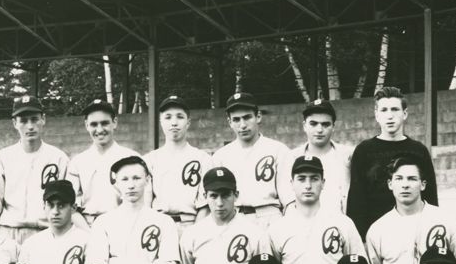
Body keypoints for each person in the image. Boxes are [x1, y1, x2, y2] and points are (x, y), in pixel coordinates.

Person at [86, 155, 179, 264]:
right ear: (116, 184)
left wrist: (120, 263)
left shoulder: (164, 221)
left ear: (148, 180)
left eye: (137, 178)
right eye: (125, 179)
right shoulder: (103, 222)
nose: (131, 185)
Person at [268, 155, 364, 264]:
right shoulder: (278, 228)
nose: (308, 185)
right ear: (291, 183)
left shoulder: (342, 223)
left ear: (323, 183)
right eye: (301, 179)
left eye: (314, 179)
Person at [347, 87, 438, 239]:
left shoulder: (418, 150)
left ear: (405, 114)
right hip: (375, 236)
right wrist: (360, 240)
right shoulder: (364, 151)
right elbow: (357, 201)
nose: (389, 116)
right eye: (384, 110)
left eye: (395, 109)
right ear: (376, 115)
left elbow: (430, 196)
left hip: (414, 232)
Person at [180, 167, 271, 264]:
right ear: (205, 196)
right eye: (213, 196)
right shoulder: (192, 234)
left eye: (225, 195)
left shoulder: (255, 233)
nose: (219, 203)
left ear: (236, 195)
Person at [0, 95, 71, 245]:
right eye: (23, 121)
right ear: (15, 123)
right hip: (9, 231)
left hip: (45, 231)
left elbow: (68, 204)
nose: (30, 126)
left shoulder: (58, 158)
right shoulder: (3, 158)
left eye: (34, 119)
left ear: (43, 119)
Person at [209, 92, 290, 226]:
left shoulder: (278, 150)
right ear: (229, 122)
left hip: (269, 216)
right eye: (236, 119)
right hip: (234, 218)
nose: (242, 125)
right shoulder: (220, 156)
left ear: (258, 117)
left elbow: (289, 198)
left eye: (247, 117)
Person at [67, 98, 137, 225]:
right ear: (86, 125)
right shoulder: (78, 162)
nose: (99, 130)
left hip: (122, 223)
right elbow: (70, 206)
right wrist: (86, 232)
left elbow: (139, 202)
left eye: (104, 123)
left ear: (114, 123)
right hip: (87, 225)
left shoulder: (131, 158)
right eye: (94, 124)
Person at [144, 94, 210, 229]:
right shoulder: (150, 160)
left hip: (191, 224)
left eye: (180, 117)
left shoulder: (202, 158)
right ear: (161, 122)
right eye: (168, 117)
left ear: (188, 122)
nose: (174, 122)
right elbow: (145, 204)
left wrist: (195, 233)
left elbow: (206, 204)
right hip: (158, 226)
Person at [278, 99, 351, 213]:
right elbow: (287, 196)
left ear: (333, 126)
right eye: (313, 123)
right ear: (304, 125)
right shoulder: (291, 158)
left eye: (325, 124)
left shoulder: (347, 156)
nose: (319, 129)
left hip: (338, 224)